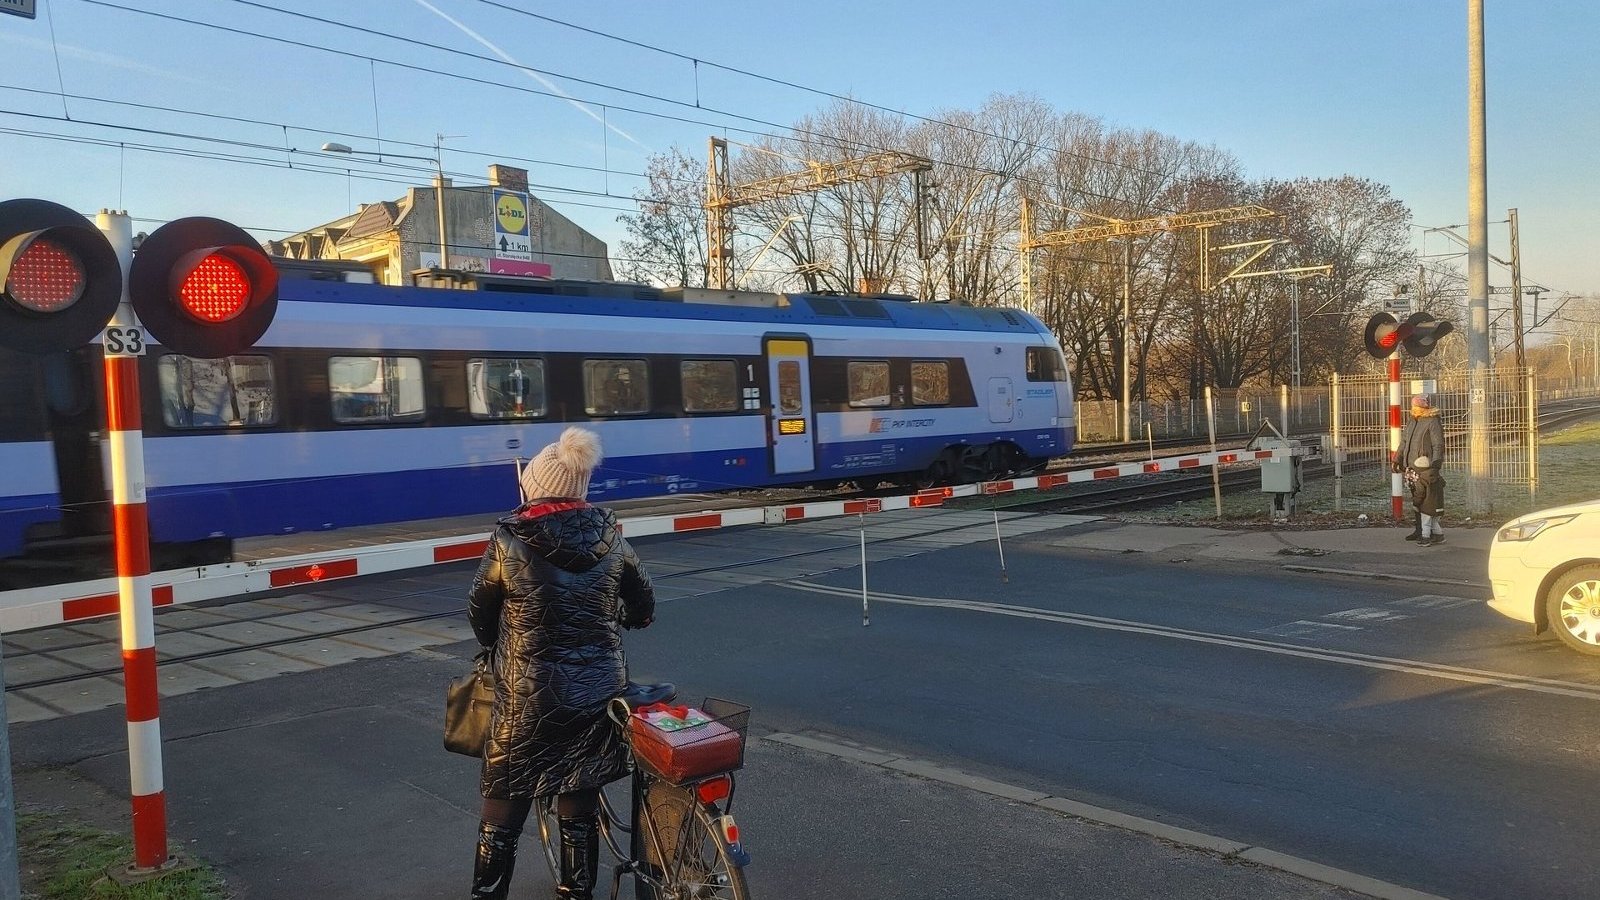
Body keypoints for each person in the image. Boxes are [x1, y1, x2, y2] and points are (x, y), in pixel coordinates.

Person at [467, 427, 654, 900]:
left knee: (503, 807)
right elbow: (644, 604)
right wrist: (624, 618)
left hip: (528, 693)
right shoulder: (610, 538)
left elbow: (479, 610)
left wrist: (494, 646)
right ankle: (578, 893)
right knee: (579, 796)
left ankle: (487, 895)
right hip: (597, 688)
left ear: (535, 486)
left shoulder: (509, 539)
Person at [1395, 393, 1445, 543]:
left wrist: (1436, 463)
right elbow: (1404, 441)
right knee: (1416, 498)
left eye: (1416, 406)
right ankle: (1419, 529)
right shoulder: (1413, 421)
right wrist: (1397, 458)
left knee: (1424, 500)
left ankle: (1426, 532)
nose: (1413, 409)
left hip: (1425, 467)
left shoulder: (1432, 421)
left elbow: (1438, 444)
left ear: (1423, 407)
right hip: (1411, 466)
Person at [1409, 454, 1447, 546]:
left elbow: (1419, 494)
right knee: (1434, 521)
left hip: (1427, 506)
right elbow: (1444, 484)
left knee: (1425, 523)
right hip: (1438, 505)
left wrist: (1416, 503)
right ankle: (1439, 536)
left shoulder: (1421, 480)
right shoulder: (1438, 477)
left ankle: (1425, 538)